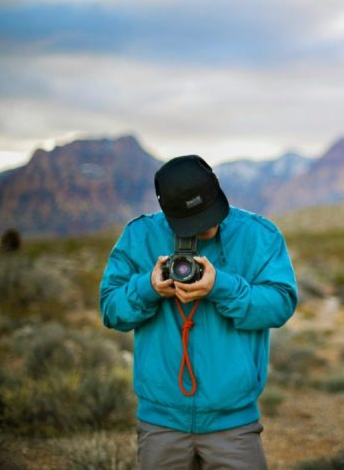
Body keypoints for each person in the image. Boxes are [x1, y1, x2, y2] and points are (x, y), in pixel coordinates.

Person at [99, 154, 298, 469]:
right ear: (167, 213)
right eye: (192, 222)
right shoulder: (140, 237)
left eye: (209, 214)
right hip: (161, 421)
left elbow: (281, 304)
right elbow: (111, 310)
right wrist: (148, 288)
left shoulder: (259, 235)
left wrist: (222, 286)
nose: (205, 227)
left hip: (233, 421)